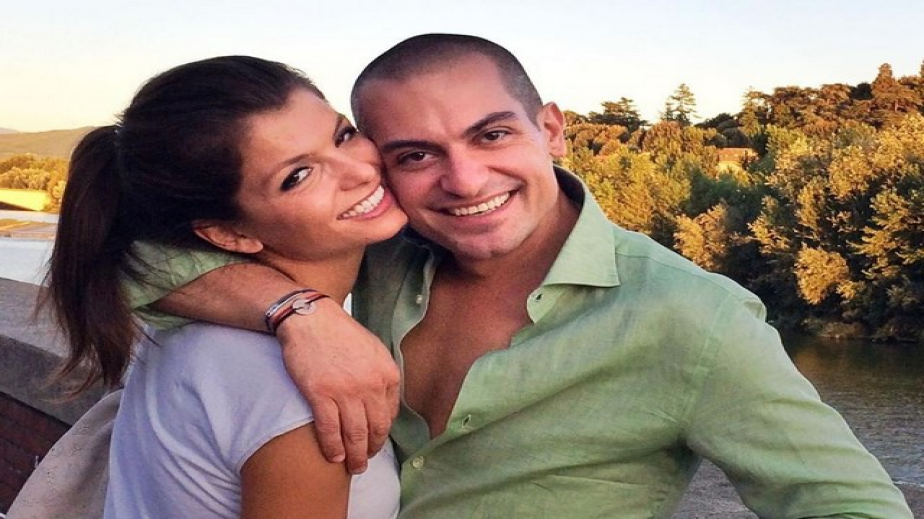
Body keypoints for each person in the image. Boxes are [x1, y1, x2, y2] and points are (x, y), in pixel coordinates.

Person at [125, 35, 913, 517]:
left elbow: (852, 504)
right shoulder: (383, 250)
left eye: (492, 135)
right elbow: (127, 260)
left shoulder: (691, 316)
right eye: (415, 154)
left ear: (552, 129)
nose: (464, 180)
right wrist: (300, 312)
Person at [43, 56, 404, 518]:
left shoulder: (187, 325)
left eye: (343, 135)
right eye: (297, 176)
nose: (361, 172)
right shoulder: (309, 390)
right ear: (228, 235)